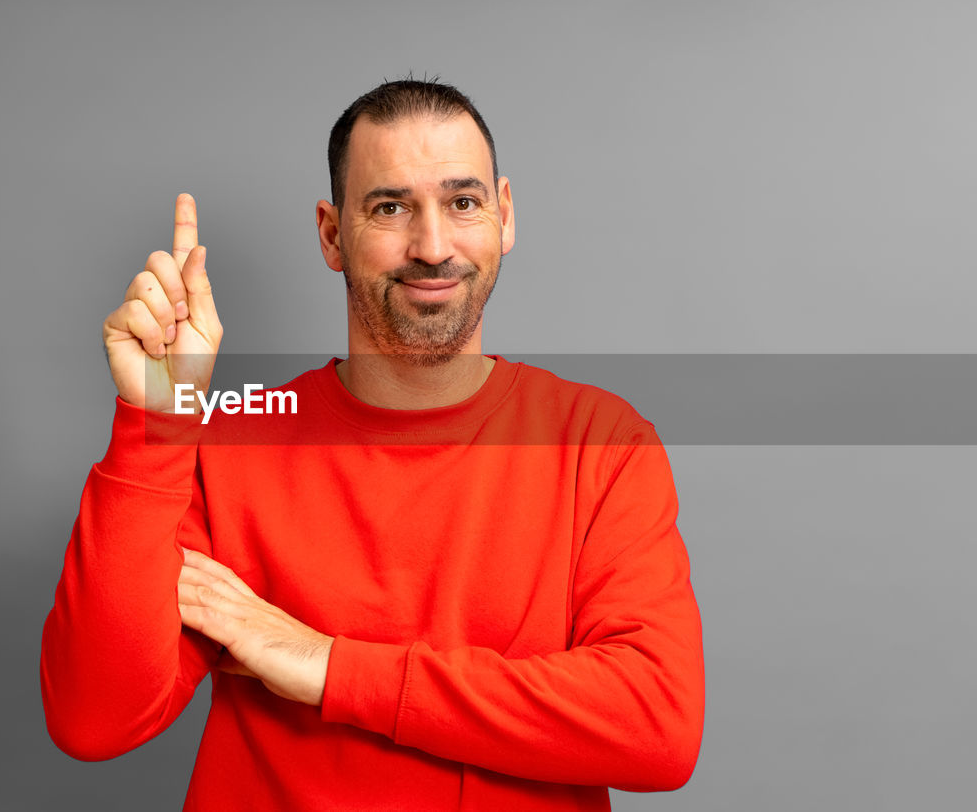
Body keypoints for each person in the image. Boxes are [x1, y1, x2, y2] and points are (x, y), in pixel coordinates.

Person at [40, 79, 704, 811]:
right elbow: (94, 719)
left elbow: (657, 725)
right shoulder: (231, 440)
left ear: (504, 216)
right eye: (390, 207)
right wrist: (154, 423)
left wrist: (328, 667)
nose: (432, 246)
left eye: (463, 203)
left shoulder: (601, 444)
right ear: (332, 234)